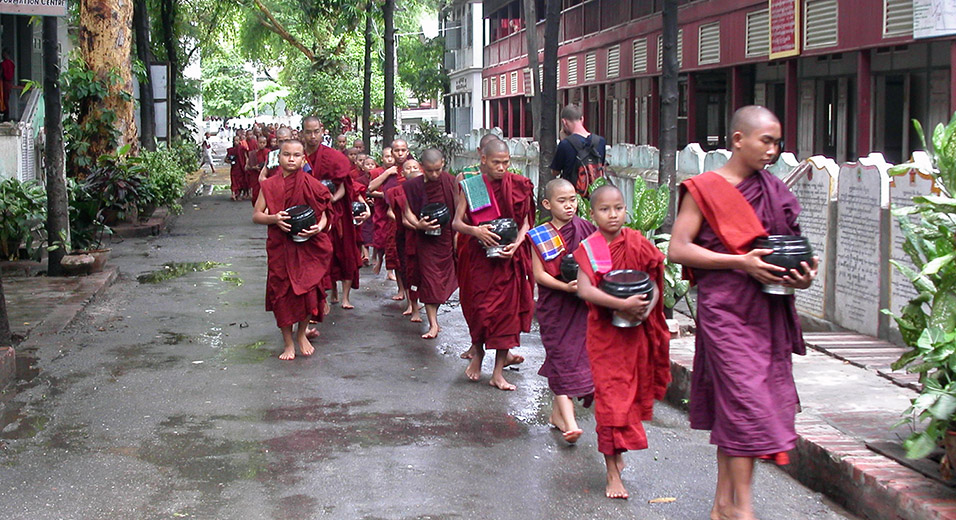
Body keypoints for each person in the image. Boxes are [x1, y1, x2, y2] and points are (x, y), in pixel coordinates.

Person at [668, 105, 818, 520]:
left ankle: (723, 506)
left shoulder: (774, 190)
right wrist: (741, 263)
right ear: (738, 140)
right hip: (726, 313)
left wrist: (801, 279)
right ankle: (743, 510)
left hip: (768, 310)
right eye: (765, 141)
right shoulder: (705, 188)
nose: (773, 150)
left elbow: (788, 252)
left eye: (777, 142)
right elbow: (679, 248)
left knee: (738, 405)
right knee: (746, 402)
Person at [572, 184, 671, 500]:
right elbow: (585, 290)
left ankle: (617, 452)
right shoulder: (590, 248)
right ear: (593, 213)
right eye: (604, 209)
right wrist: (620, 305)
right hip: (605, 338)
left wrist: (646, 311)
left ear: (625, 210)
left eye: (618, 208)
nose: (612, 215)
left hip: (635, 336)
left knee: (628, 401)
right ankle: (612, 473)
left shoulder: (637, 243)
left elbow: (654, 284)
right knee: (610, 403)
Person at [452, 139, 534, 391]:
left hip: (508, 260)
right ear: (483, 160)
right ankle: (478, 352)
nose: (502, 167)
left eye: (506, 162)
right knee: (479, 308)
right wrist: (476, 231)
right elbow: (456, 223)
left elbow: (528, 223)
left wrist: (518, 245)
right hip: (479, 259)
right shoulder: (473, 186)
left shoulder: (520, 185)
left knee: (505, 316)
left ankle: (498, 373)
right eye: (496, 162)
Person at [252, 139, 333, 360]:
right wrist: (274, 218)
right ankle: (288, 342)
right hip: (281, 247)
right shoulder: (269, 185)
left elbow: (325, 213)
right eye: (286, 154)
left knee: (309, 291)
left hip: (307, 247)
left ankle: (301, 335)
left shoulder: (312, 184)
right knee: (282, 294)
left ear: (303, 158)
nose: (291, 159)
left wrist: (318, 228)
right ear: (278, 158)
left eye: (296, 155)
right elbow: (256, 215)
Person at [529, 178, 596, 444]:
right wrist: (564, 287)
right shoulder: (539, 235)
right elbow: (539, 275)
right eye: (562, 201)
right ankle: (570, 423)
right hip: (556, 307)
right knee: (561, 359)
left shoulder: (587, 229)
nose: (569, 206)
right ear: (547, 204)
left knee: (573, 359)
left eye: (573, 200)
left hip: (581, 307)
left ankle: (557, 416)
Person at [302, 116, 362, 310]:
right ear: (303, 132)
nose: (313, 136)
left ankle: (345, 296)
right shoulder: (299, 156)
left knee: (343, 253)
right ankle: (328, 294)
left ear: (322, 130)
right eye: (308, 132)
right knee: (319, 255)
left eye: (316, 131)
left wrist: (330, 202)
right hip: (311, 212)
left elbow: (343, 186)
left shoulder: (333, 157)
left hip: (336, 212)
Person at [401, 149, 458, 339]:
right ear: (422, 167)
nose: (434, 175)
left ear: (443, 163)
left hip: (446, 239)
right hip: (425, 240)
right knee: (430, 281)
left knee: (442, 284)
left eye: (438, 170)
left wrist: (458, 238)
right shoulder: (412, 186)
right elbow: (407, 211)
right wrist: (418, 224)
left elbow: (459, 211)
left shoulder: (450, 182)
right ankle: (433, 324)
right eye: (430, 171)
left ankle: (434, 317)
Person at [387, 160, 424, 320]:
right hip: (407, 237)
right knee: (408, 271)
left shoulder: (428, 191)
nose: (412, 170)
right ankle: (412, 304)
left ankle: (421, 304)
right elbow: (400, 217)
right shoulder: (399, 192)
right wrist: (420, 226)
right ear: (402, 173)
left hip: (425, 239)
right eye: (408, 168)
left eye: (415, 167)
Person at [550, 104, 606, 194]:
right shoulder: (600, 141)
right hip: (595, 196)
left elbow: (555, 172)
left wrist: (564, 140)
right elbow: (601, 166)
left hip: (573, 196)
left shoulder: (565, 144)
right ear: (582, 119)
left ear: (564, 122)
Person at [226, 136, 246, 201]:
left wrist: (246, 165)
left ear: (240, 141)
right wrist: (230, 161)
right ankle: (233, 194)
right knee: (234, 181)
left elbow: (246, 157)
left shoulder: (243, 148)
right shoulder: (231, 150)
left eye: (237, 140)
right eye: (235, 140)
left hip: (241, 167)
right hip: (234, 167)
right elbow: (226, 159)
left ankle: (238, 194)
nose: (236, 142)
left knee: (240, 181)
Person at [0, 49, 14, 121]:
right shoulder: (12, 63)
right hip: (9, 84)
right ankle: (6, 117)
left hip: (3, 84)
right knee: (6, 100)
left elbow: (1, 73)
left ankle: (5, 116)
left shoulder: (4, 64)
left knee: (3, 100)